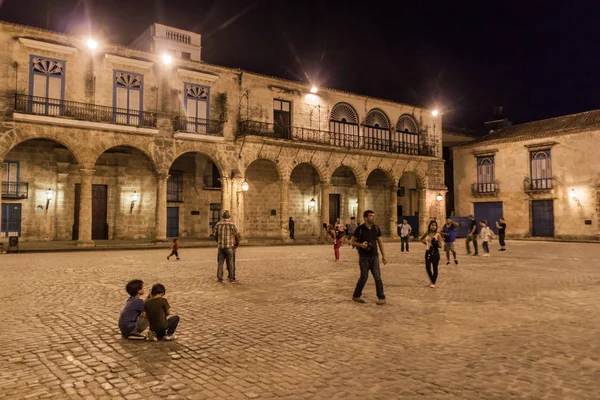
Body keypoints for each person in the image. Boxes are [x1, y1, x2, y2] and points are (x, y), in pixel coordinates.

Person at [351, 210, 387, 305]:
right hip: (364, 257)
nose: (373, 217)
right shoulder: (360, 229)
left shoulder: (376, 228)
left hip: (374, 256)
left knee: (377, 277)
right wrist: (361, 245)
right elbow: (352, 242)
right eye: (371, 216)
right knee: (364, 277)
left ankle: (381, 297)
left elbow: (380, 242)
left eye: (373, 216)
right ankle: (356, 295)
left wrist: (383, 255)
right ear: (365, 218)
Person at [214, 210, 240, 283]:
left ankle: (219, 278)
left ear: (222, 217)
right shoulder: (232, 225)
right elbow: (237, 235)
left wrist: (218, 242)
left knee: (220, 263)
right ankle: (231, 278)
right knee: (231, 262)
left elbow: (215, 235)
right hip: (229, 246)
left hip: (221, 247)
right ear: (229, 216)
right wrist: (236, 245)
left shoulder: (218, 224)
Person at [421, 220, 442, 288]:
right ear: (429, 226)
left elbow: (441, 245)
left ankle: (433, 282)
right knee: (427, 267)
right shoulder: (427, 233)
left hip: (435, 253)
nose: (433, 226)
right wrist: (427, 244)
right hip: (428, 252)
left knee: (435, 268)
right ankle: (431, 280)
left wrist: (437, 245)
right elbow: (421, 239)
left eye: (435, 225)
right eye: (432, 225)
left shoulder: (438, 234)